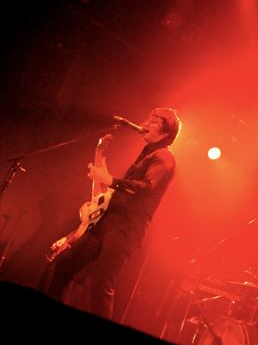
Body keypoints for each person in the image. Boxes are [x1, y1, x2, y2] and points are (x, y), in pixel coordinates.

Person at [42, 107, 181, 320]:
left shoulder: (164, 156)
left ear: (166, 132)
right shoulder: (147, 153)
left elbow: (145, 188)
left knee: (102, 284)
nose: (146, 123)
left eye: (154, 120)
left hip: (126, 228)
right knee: (64, 266)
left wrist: (110, 180)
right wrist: (100, 154)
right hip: (108, 222)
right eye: (148, 118)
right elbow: (111, 191)